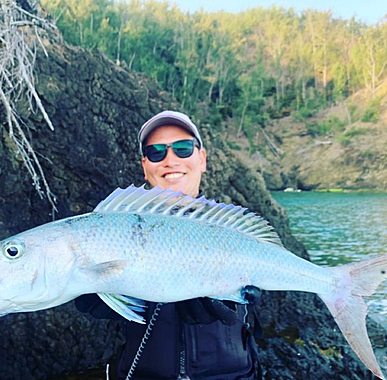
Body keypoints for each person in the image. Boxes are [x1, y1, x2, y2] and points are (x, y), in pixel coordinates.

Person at [75, 110, 262, 380]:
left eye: (183, 149)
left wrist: (238, 302)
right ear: (145, 165)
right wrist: (93, 289)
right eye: (156, 152)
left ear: (202, 159)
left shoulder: (239, 230)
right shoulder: (113, 227)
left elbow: (263, 291)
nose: (170, 160)